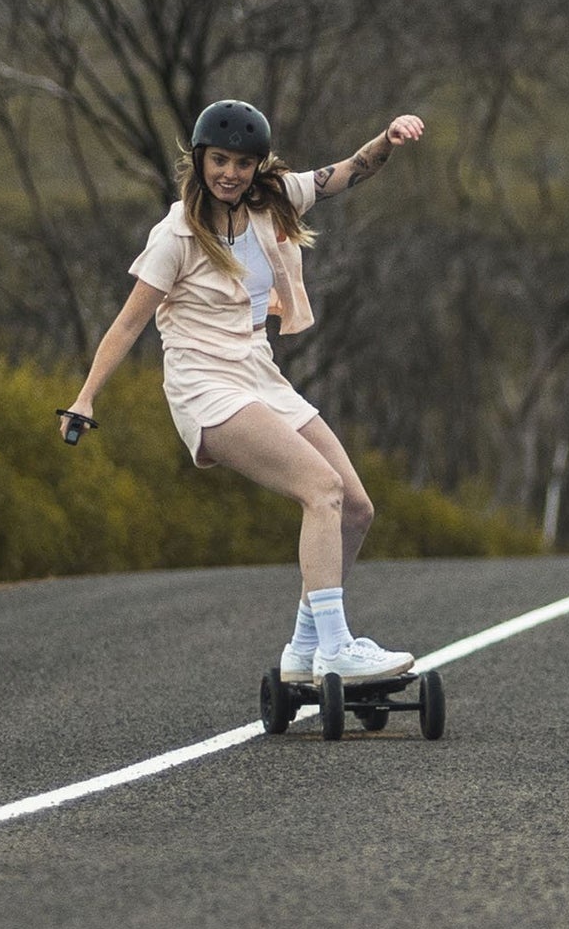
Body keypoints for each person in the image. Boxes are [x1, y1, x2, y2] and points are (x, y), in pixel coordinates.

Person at [60, 99, 426, 685]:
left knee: (356, 508)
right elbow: (128, 322)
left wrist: (387, 137)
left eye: (243, 163)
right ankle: (336, 647)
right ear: (200, 160)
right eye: (219, 160)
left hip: (257, 371)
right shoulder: (176, 234)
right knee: (321, 490)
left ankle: (306, 649)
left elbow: (349, 170)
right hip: (204, 384)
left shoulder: (270, 202)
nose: (229, 174)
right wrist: (85, 397)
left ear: (258, 166)